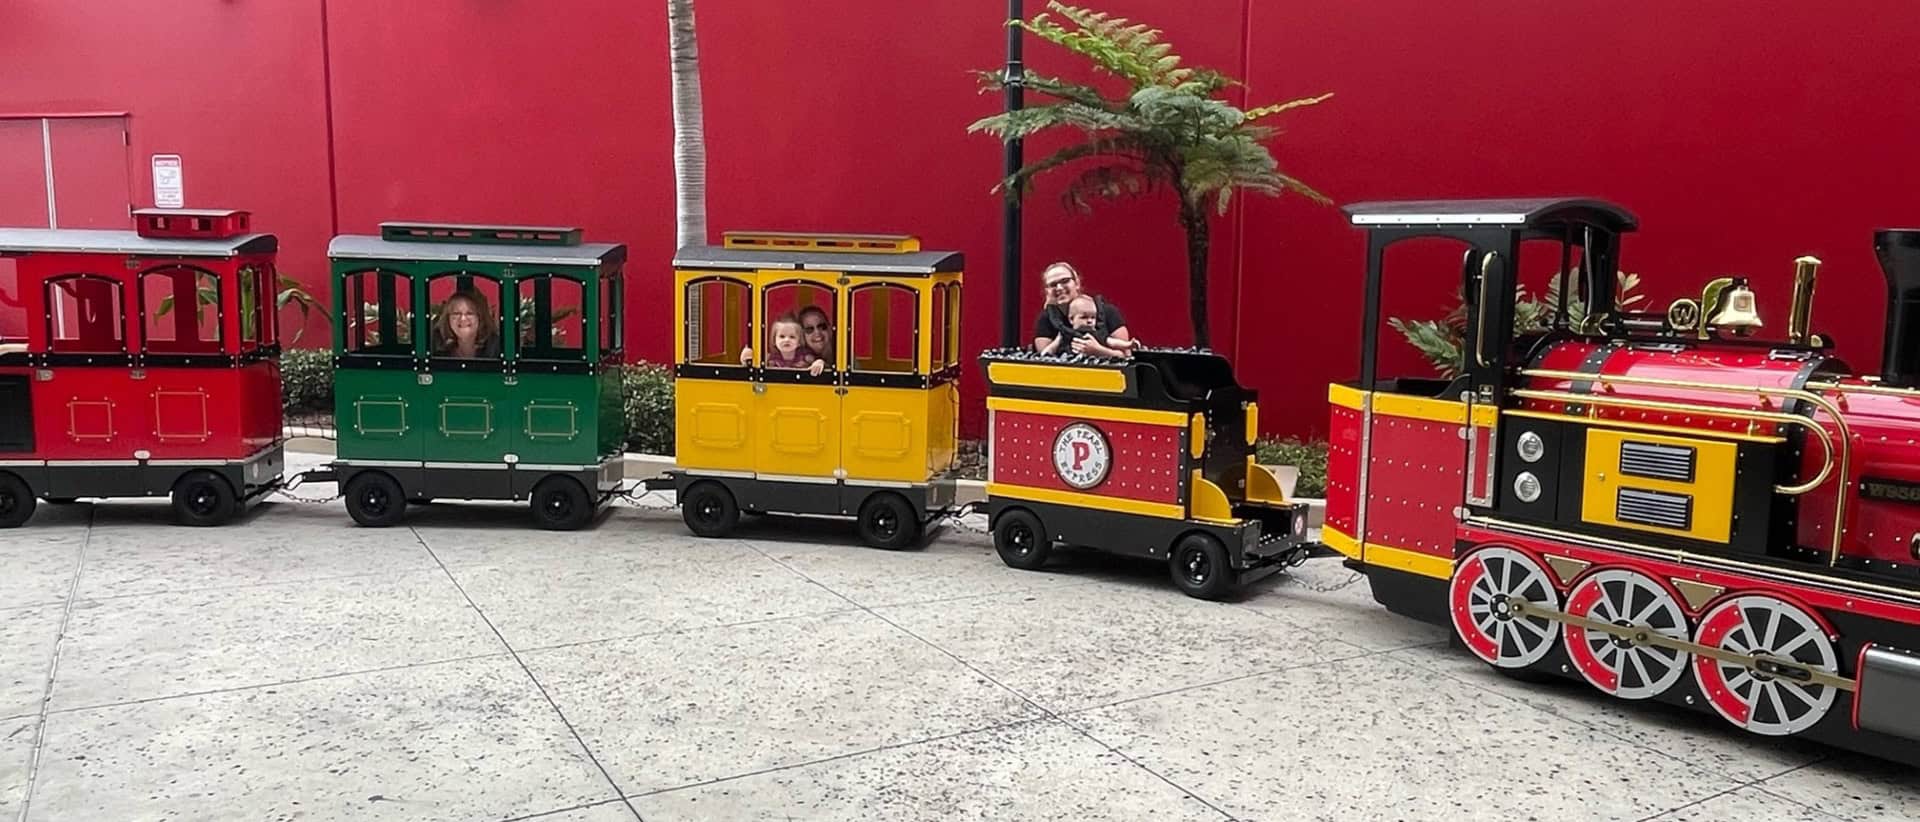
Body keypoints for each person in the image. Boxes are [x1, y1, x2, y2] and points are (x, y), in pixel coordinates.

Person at [1031, 261, 1133, 357]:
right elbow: (1043, 360)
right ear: (1047, 291)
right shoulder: (1045, 319)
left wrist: (1098, 351)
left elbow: (1126, 356)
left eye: (1065, 281)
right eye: (1053, 285)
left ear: (1077, 283)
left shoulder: (1108, 312)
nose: (1059, 288)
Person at [740, 313, 826, 375]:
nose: (787, 340)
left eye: (792, 337)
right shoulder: (769, 359)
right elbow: (752, 368)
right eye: (782, 336)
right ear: (774, 340)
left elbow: (824, 365)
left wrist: (819, 363)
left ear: (799, 342)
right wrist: (746, 358)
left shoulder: (806, 357)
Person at [432, 290, 500, 358]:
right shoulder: (439, 353)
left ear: (480, 318)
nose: (463, 318)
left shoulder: (496, 350)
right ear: (448, 319)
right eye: (456, 313)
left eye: (469, 313)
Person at [1063, 295, 1129, 359]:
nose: (1089, 321)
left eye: (1093, 317)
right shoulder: (1065, 333)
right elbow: (1053, 350)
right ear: (1071, 319)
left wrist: (1128, 345)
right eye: (1084, 317)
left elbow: (1111, 342)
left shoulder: (1095, 334)